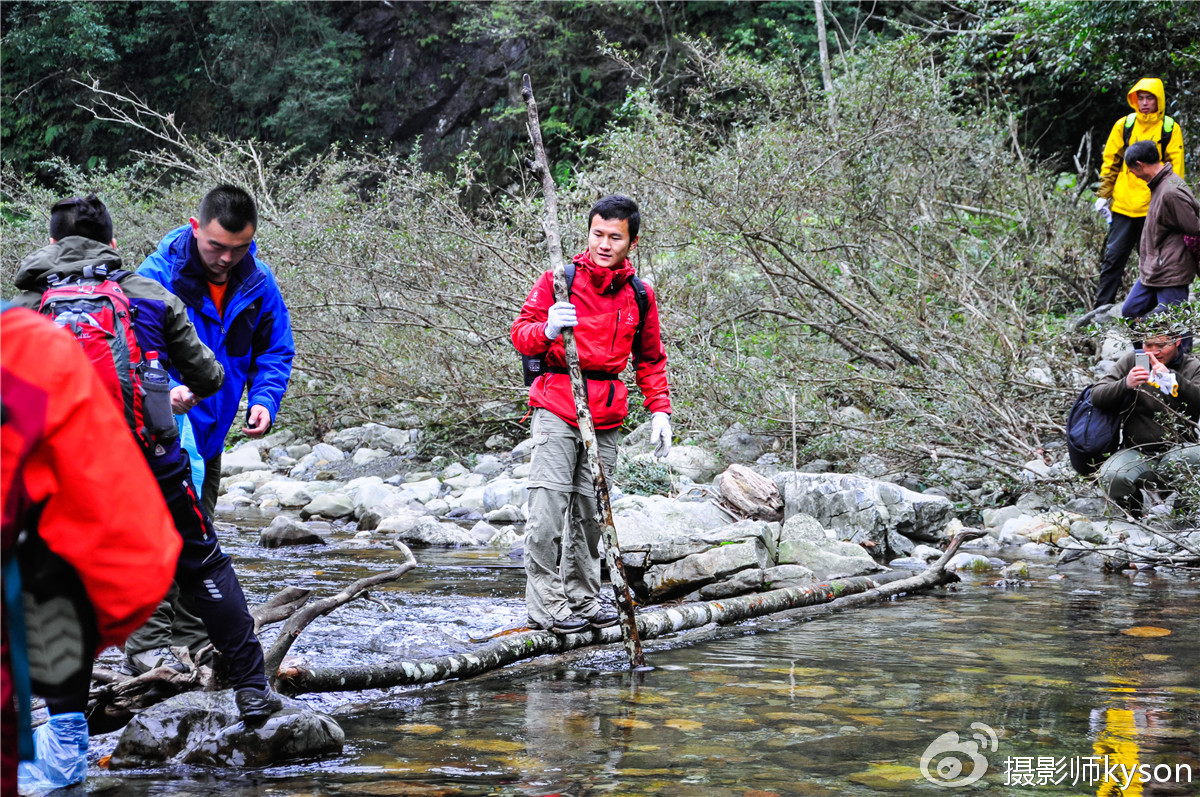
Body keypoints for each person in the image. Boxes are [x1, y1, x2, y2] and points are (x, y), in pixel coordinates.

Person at [12, 194, 283, 722]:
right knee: (203, 563)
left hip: (64, 476)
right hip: (151, 462)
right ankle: (253, 690)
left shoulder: (23, 310)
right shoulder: (149, 294)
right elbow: (210, 376)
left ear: (51, 243)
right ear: (113, 244)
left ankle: (67, 732)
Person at [2, 306, 180, 794]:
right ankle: (66, 750)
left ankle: (60, 754)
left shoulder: (28, 338)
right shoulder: (35, 339)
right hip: (81, 551)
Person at [132, 185, 295, 668]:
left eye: (239, 248)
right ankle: (145, 652)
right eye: (216, 246)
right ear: (194, 228)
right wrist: (164, 393)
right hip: (158, 436)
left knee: (199, 538)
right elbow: (131, 355)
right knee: (155, 535)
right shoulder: (154, 279)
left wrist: (264, 400)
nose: (226, 258)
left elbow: (275, 350)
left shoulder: (258, 281)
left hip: (209, 438)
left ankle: (192, 645)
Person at [511, 195, 673, 634]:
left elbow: (650, 359)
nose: (603, 244)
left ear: (632, 242)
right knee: (547, 512)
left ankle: (582, 600)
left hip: (606, 415)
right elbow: (520, 334)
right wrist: (547, 328)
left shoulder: (640, 294)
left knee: (591, 515)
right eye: (597, 234)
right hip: (556, 402)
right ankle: (546, 607)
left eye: (614, 237)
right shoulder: (558, 281)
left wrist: (660, 410)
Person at [1092, 77, 1186, 310]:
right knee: (1113, 259)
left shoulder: (1169, 128)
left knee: (1153, 261)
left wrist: (1173, 203)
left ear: (1159, 100)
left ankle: (1152, 309)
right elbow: (1111, 161)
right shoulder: (1124, 125)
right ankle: (1101, 310)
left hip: (1154, 208)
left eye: (1149, 98)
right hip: (1124, 205)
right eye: (1140, 98)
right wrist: (1103, 194)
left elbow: (1176, 168)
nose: (1144, 103)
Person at [1090, 320, 1200, 513]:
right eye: (1148, 345)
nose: (1154, 352)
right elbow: (1097, 395)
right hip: (1138, 451)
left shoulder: (1192, 366)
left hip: (1180, 450)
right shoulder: (1132, 361)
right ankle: (1133, 510)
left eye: (1161, 345)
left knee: (1193, 457)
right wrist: (1125, 383)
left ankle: (1184, 511)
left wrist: (1174, 380)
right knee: (1111, 477)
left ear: (1177, 341)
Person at [1120, 139, 1200, 318]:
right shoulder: (1160, 185)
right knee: (1131, 312)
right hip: (1154, 268)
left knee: (1175, 319)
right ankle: (1149, 340)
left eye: (1131, 170)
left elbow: (1194, 227)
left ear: (1139, 165)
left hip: (1171, 269)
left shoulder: (1171, 191)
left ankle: (1184, 337)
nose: (1133, 175)